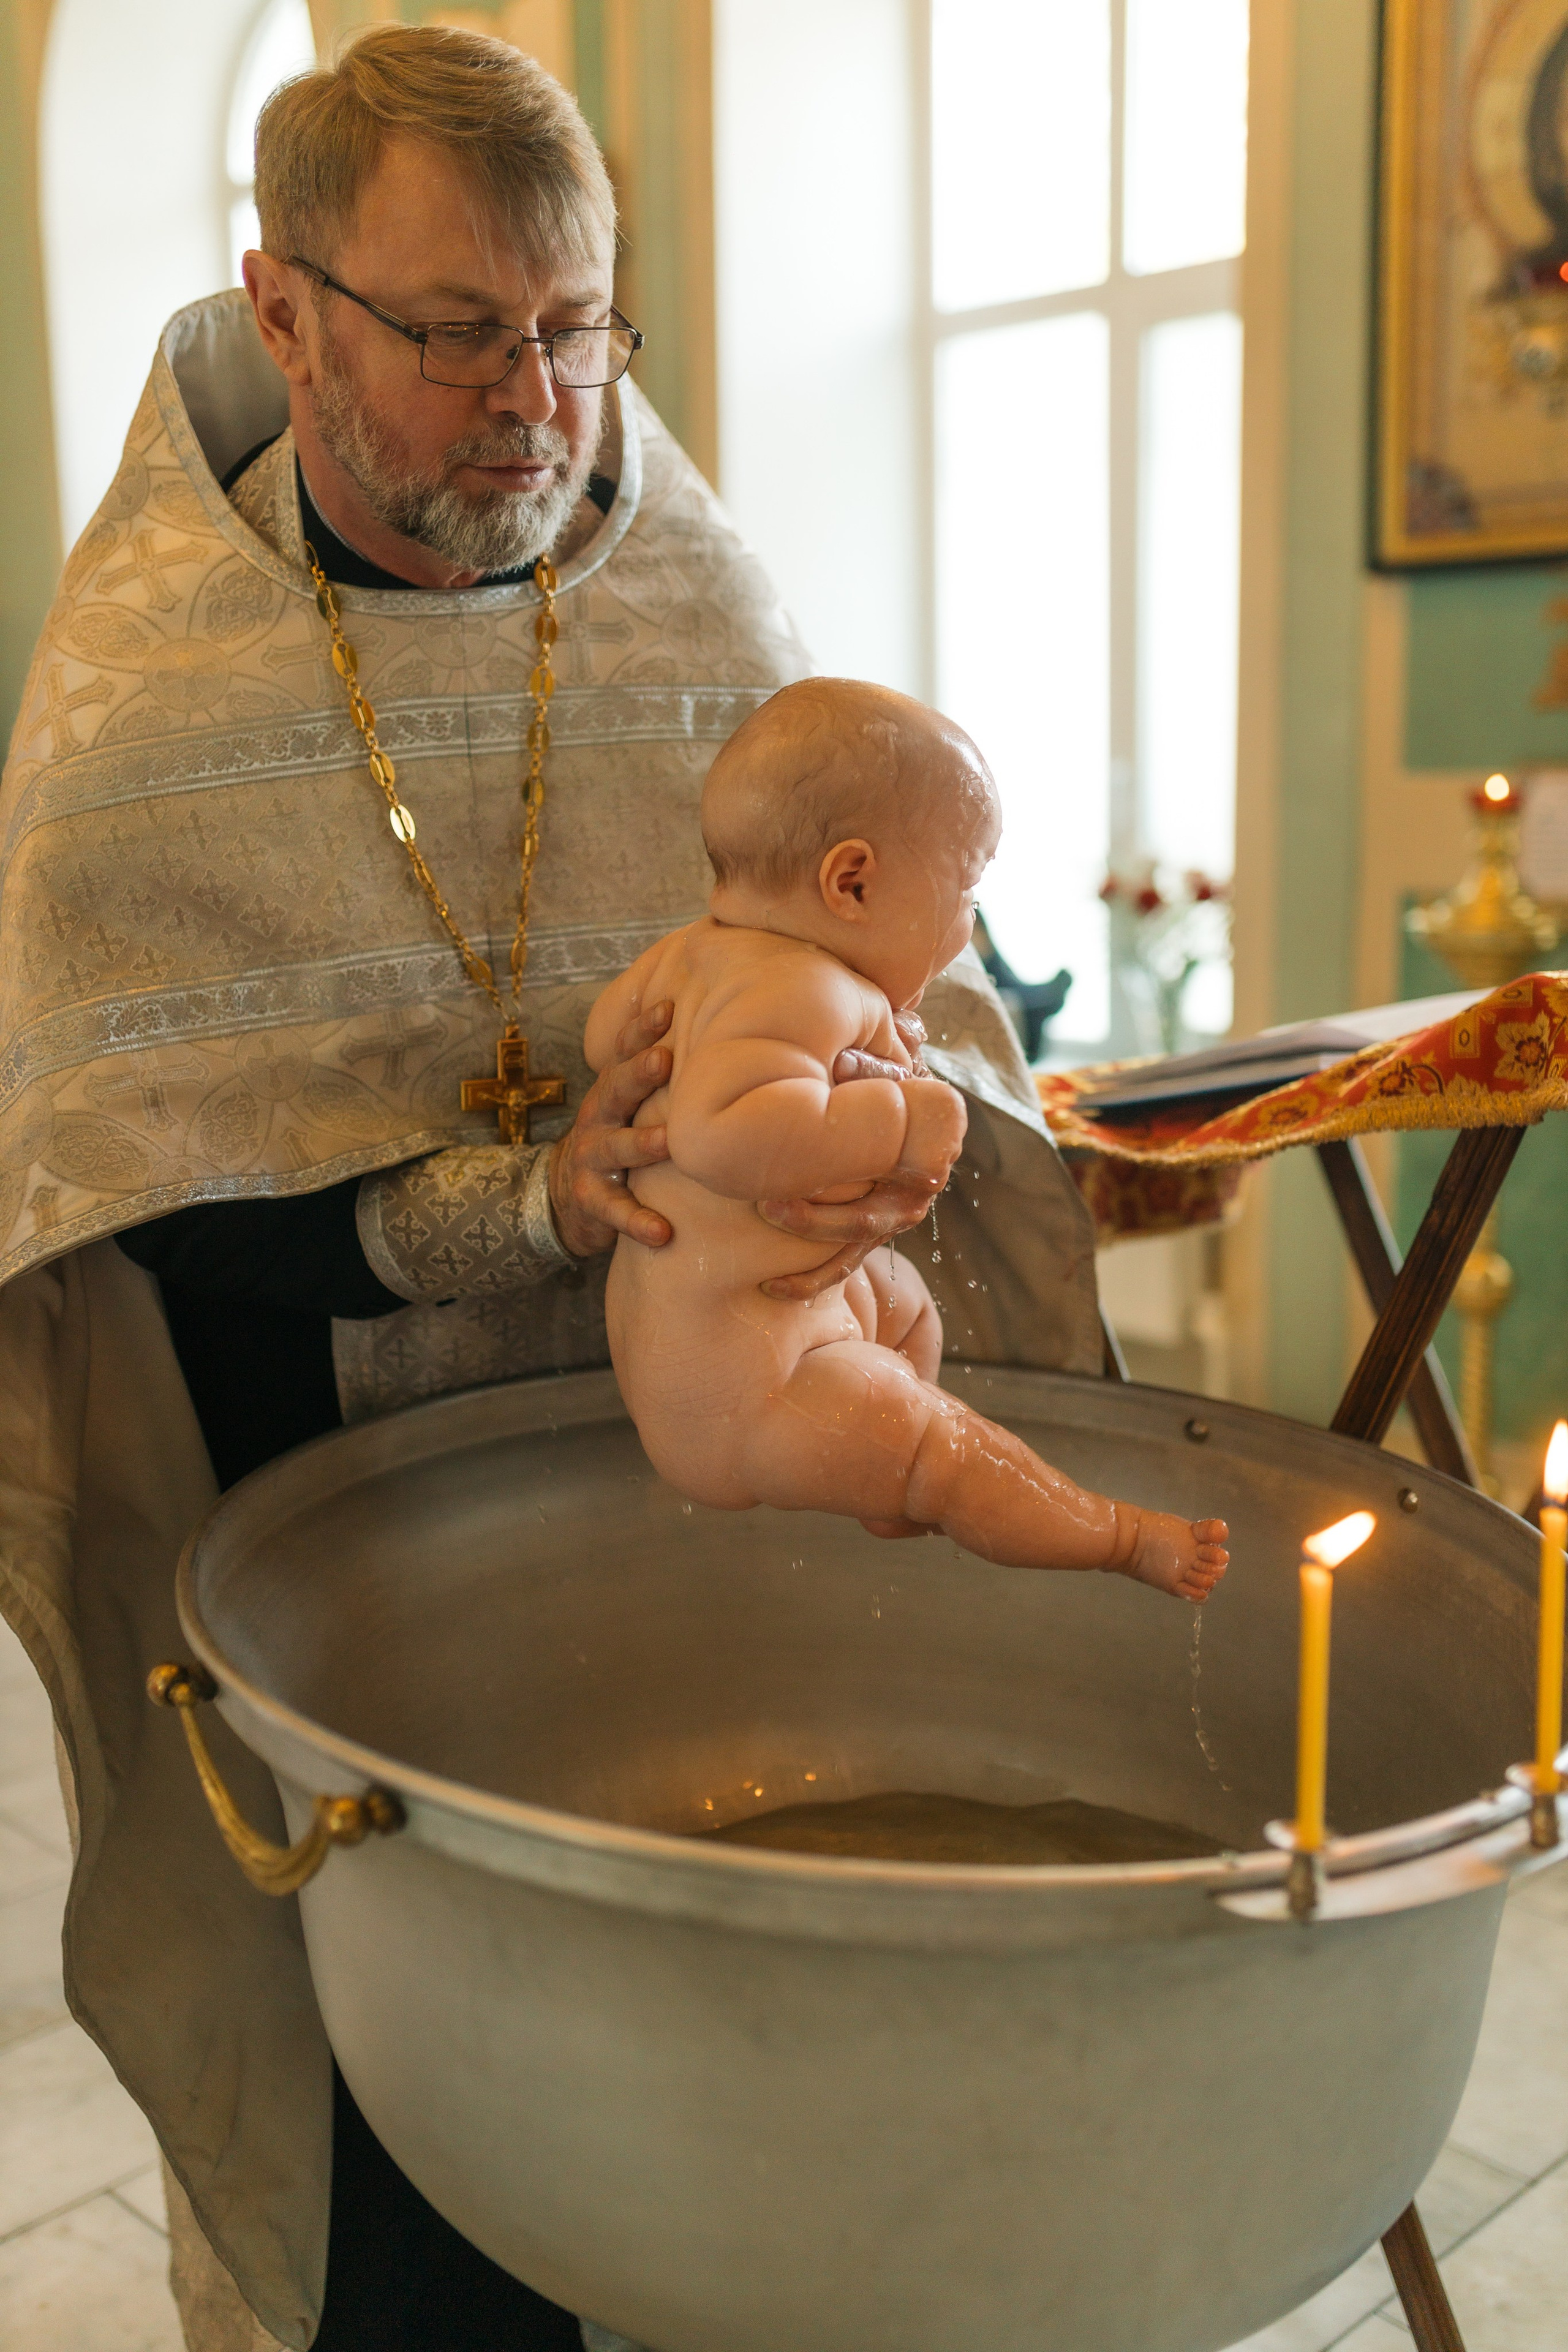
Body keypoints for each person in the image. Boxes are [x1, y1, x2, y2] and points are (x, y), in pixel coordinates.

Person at [0, 24, 1104, 2352]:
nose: (537, 399)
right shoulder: (140, 710)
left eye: (579, 329)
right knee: (428, 2164)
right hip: (348, 1525)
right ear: (282, 311)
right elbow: (127, 1188)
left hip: (703, 1508)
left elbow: (902, 968)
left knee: (752, 2110)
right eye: (456, 333)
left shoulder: (702, 612)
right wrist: (502, 1210)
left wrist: (992, 1147)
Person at [595, 680, 1228, 1595]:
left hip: (712, 1348)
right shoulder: (808, 990)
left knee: (907, 1307)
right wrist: (914, 1114)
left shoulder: (688, 956)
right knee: (957, 1450)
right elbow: (713, 1134)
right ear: (851, 883)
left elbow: (608, 1042)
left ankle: (887, 1479)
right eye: (967, 889)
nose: (967, 926)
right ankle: (1121, 1537)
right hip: (756, 1395)